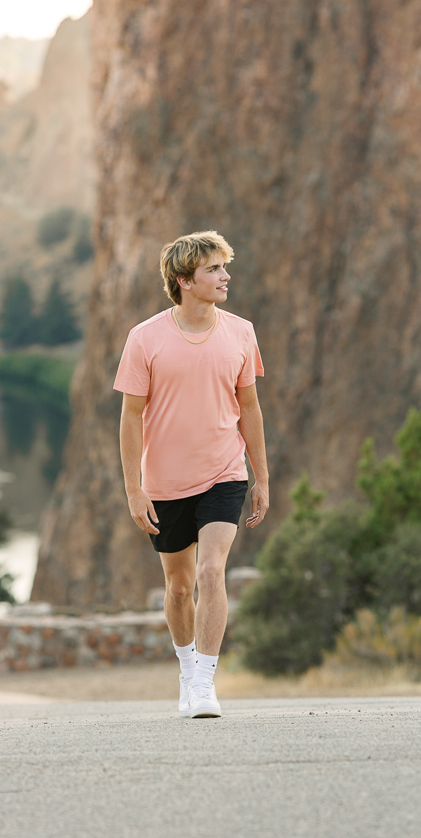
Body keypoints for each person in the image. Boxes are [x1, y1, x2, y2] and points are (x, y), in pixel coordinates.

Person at [114, 230, 269, 718]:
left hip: (225, 470)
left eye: (225, 267)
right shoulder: (145, 338)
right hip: (164, 481)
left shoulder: (241, 332)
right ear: (184, 280)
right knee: (180, 586)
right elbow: (131, 416)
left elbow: (249, 407)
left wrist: (260, 476)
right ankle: (186, 670)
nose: (225, 277)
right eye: (214, 270)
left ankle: (204, 684)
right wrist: (134, 490)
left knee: (210, 570)